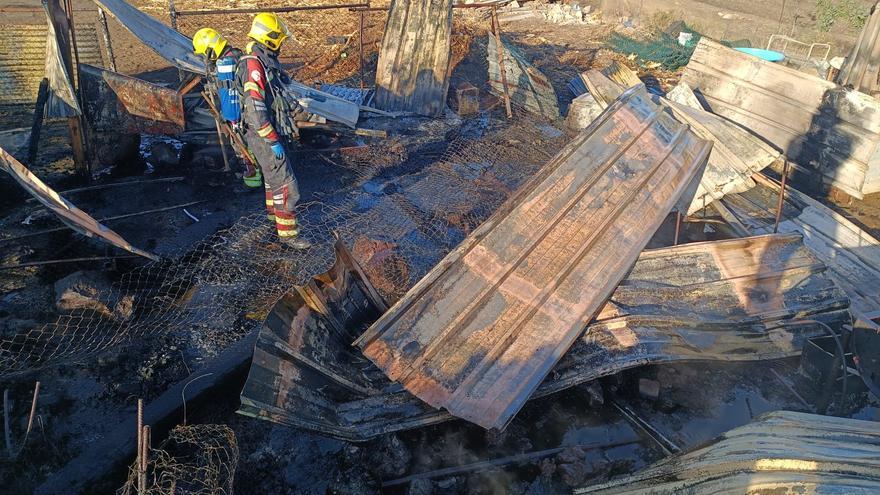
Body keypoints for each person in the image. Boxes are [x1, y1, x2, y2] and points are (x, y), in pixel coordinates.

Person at [236, 13, 311, 249]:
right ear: (269, 38)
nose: (281, 43)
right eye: (279, 38)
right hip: (263, 135)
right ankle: (289, 236)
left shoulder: (260, 61)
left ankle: (274, 221)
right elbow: (255, 110)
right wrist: (271, 140)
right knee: (287, 185)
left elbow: (276, 95)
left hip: (262, 134)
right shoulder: (253, 65)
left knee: (273, 181)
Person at [191, 28, 263, 190]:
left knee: (243, 149)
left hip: (237, 117)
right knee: (251, 147)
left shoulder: (225, 64)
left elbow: (230, 96)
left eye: (204, 54)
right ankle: (254, 177)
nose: (204, 59)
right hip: (248, 112)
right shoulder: (237, 55)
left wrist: (229, 117)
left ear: (210, 49)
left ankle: (252, 183)